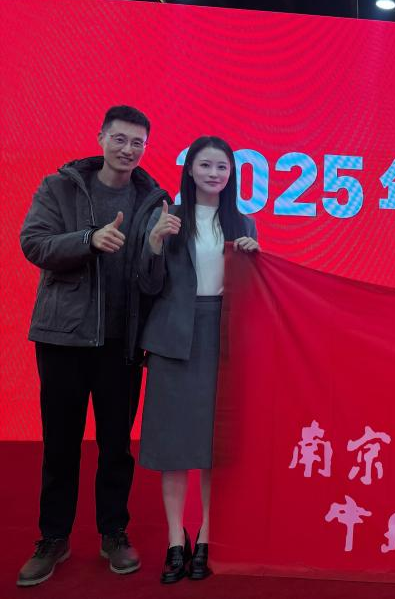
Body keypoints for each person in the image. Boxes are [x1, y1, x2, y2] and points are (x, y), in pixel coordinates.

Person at [17, 105, 169, 587]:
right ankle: (53, 538)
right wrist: (88, 239)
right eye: (120, 139)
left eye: (138, 142)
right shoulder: (59, 187)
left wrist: (155, 250)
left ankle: (113, 532)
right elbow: (33, 243)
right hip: (63, 337)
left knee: (116, 447)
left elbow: (152, 283)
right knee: (60, 444)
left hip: (121, 345)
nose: (128, 149)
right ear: (101, 137)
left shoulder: (153, 199)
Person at [137, 136, 258, 583]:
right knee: (173, 447)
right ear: (189, 169)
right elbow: (147, 284)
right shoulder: (168, 217)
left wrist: (254, 261)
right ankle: (176, 539)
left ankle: (207, 533)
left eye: (222, 167)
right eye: (205, 165)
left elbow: (252, 292)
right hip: (173, 339)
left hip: (222, 339)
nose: (214, 173)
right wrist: (153, 242)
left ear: (231, 174)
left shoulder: (243, 222)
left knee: (212, 447)